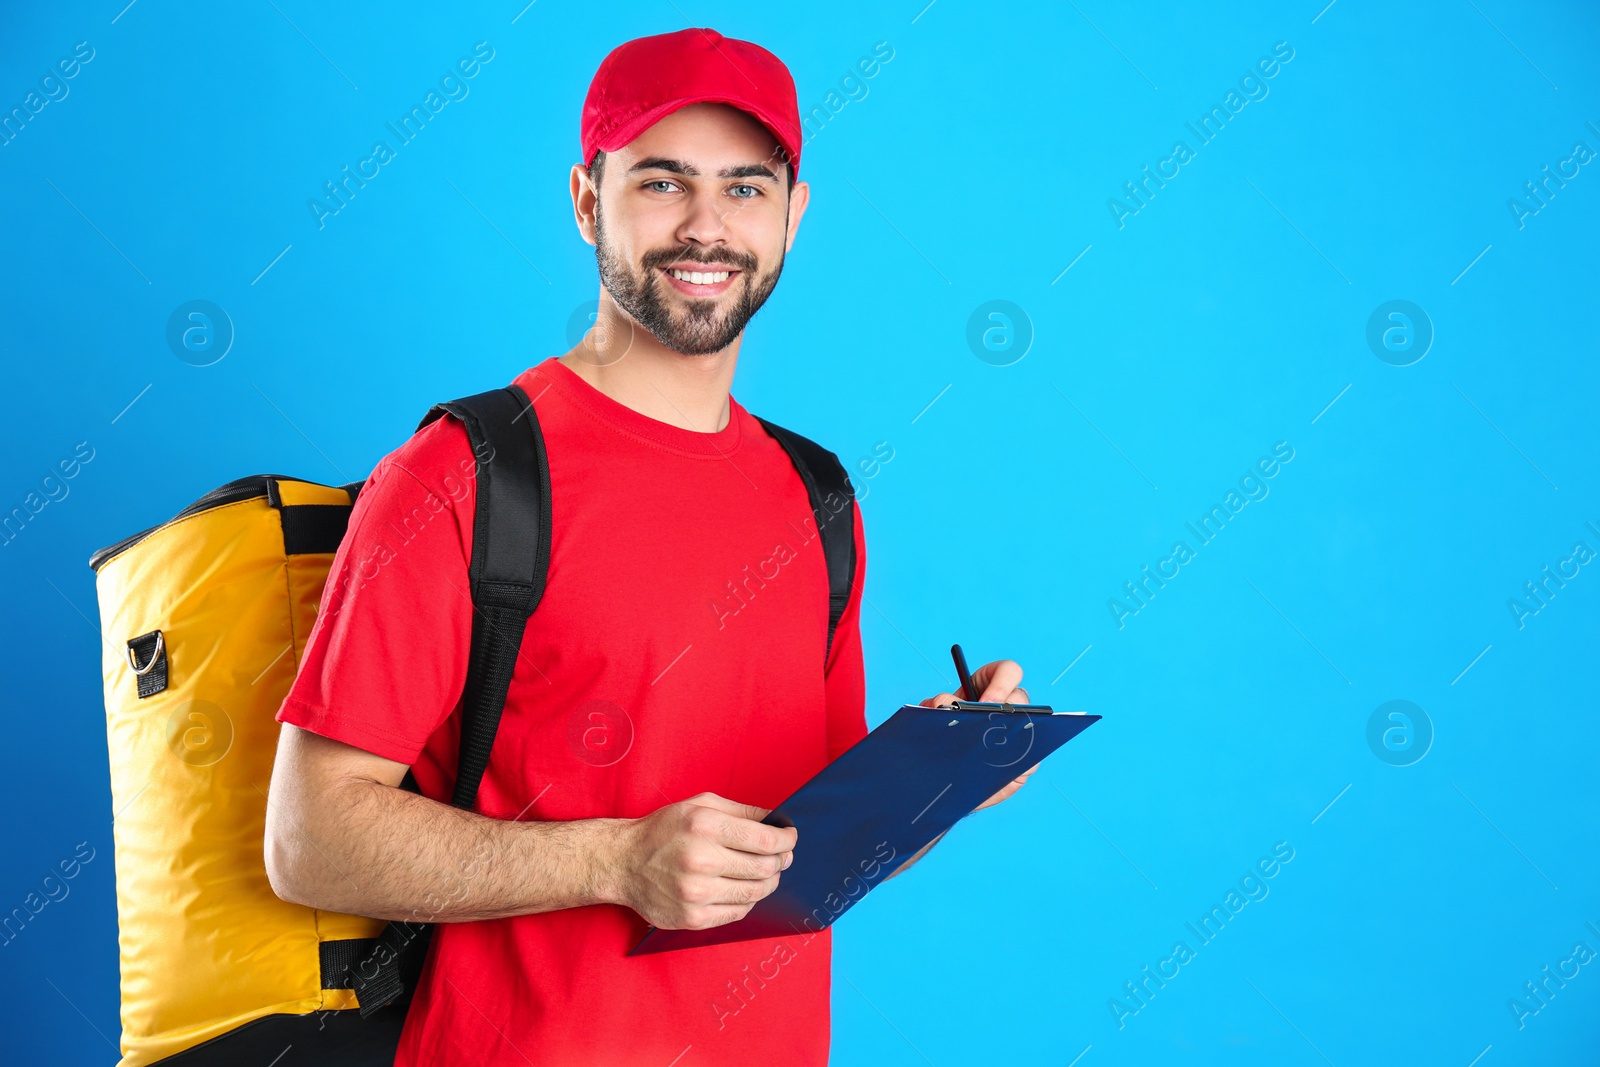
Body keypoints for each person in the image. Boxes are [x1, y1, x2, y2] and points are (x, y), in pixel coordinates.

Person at [264, 26, 1035, 1067]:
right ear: (587, 200)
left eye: (746, 189)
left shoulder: (817, 494)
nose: (707, 228)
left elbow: (805, 860)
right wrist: (619, 858)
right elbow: (310, 840)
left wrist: (941, 776)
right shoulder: (467, 472)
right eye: (663, 183)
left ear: (795, 215)